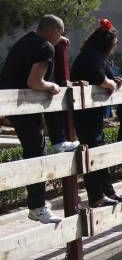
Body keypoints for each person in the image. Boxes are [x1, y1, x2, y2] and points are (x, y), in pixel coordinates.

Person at [0, 15, 79, 223]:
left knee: (34, 150)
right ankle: (37, 206)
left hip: (11, 104)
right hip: (25, 107)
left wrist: (58, 41)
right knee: (37, 154)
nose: (61, 38)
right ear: (53, 31)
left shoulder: (27, 40)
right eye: (60, 34)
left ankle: (60, 142)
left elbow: (36, 52)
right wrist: (50, 86)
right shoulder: (45, 48)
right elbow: (35, 82)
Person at [72, 19, 122, 207]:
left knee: (99, 151)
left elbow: (110, 76)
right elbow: (100, 78)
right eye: (114, 43)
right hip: (85, 116)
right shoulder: (91, 56)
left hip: (94, 115)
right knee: (92, 153)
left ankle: (108, 192)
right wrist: (111, 84)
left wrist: (114, 80)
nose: (115, 46)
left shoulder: (98, 56)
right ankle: (97, 196)